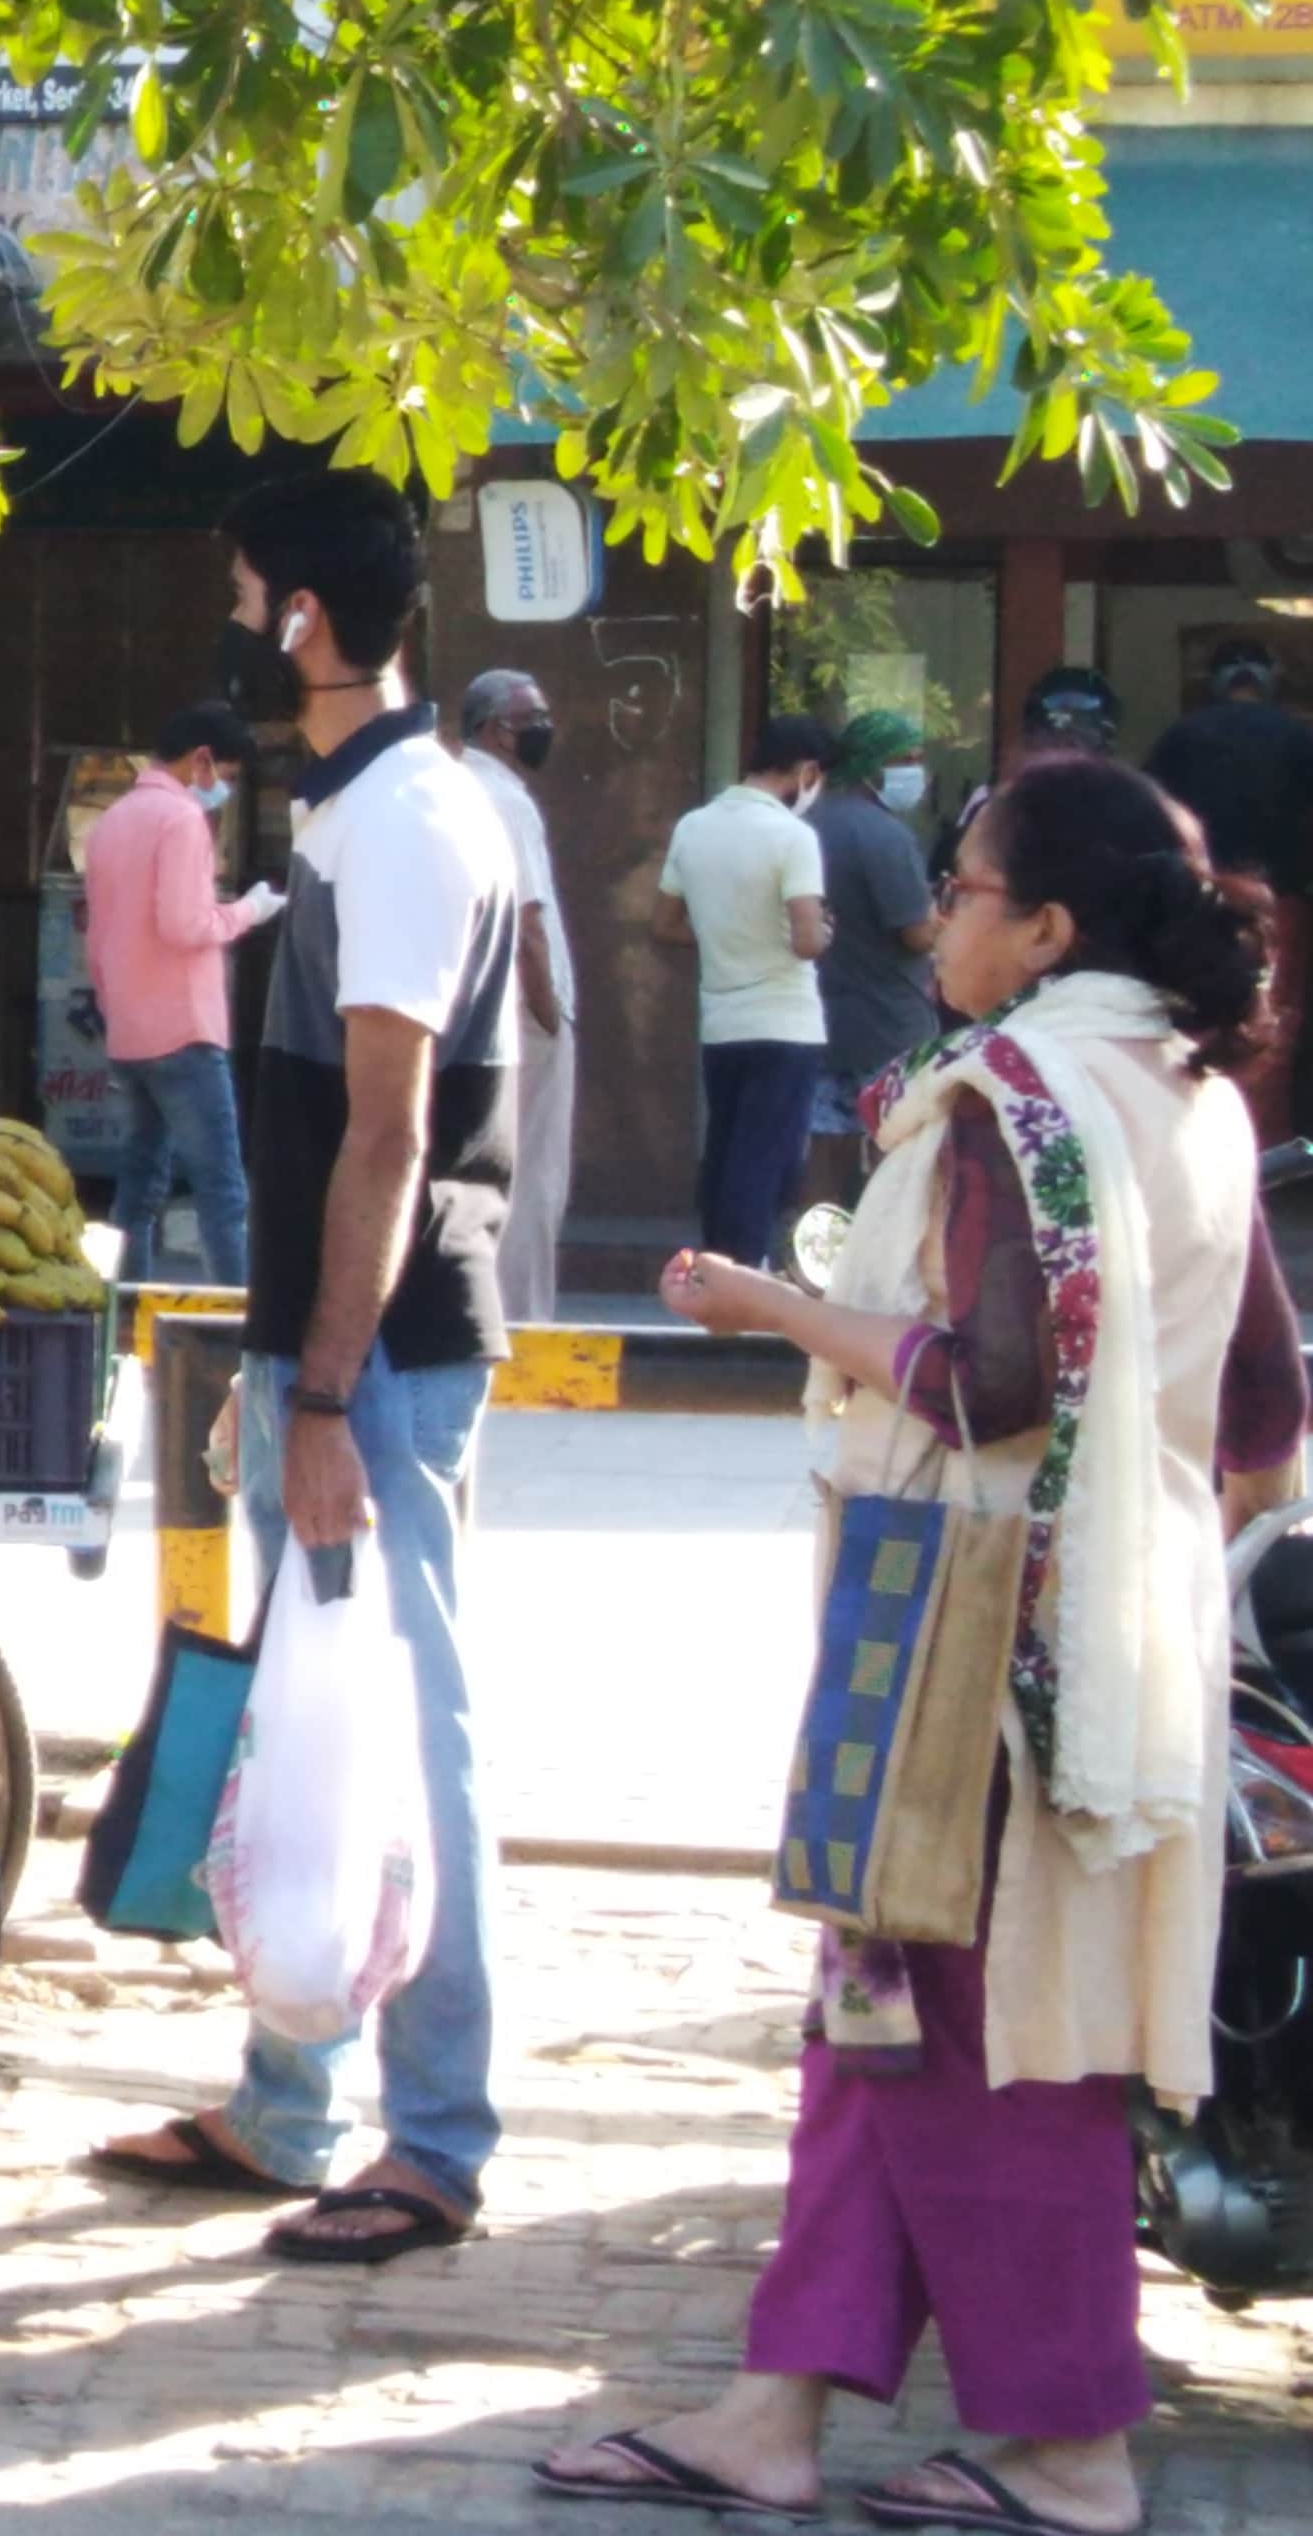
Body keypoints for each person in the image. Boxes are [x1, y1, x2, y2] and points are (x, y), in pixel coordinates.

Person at [541, 757, 1304, 2536]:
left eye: (965, 888)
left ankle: (1069, 2448)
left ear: (1045, 928)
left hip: (976, 1638)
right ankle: (772, 2410)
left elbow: (988, 1381)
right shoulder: (1191, 1096)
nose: (938, 914)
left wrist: (777, 1306)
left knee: (974, 2036)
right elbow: (1263, 1409)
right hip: (1115, 1627)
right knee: (872, 2015)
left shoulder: (1012, 1101)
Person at [94, 467, 518, 2272]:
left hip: (388, 1360)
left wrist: (330, 1388)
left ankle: (432, 2138)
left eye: (252, 588)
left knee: (408, 1738)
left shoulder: (412, 820)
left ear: (306, 623)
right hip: (335, 1352)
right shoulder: (360, 813)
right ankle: (291, 2104)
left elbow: (390, 1135)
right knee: (316, 1732)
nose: (244, 621)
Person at [81, 701, 281, 1285]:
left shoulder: (112, 821)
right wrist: (250, 910)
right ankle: (235, 1332)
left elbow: (98, 941)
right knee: (223, 1191)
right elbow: (186, 924)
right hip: (186, 1032)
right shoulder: (182, 819)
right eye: (229, 776)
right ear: (201, 760)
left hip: (130, 1032)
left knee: (138, 1189)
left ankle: (125, 1312)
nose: (226, 790)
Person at [656, 716, 838, 1269]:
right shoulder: (793, 837)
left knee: (727, 1151)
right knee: (769, 1157)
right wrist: (827, 931)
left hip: (722, 1023)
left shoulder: (693, 826)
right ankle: (745, 1271)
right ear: (805, 772)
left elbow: (663, 923)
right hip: (785, 1022)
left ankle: (712, 1268)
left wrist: (718, 935)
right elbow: (807, 939)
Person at [1146, 637, 1313, 1144]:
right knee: (1274, 1026)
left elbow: (1153, 818)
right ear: (1269, 679)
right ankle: (1267, 1152)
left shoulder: (1181, 737)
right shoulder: (1297, 737)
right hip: (1279, 902)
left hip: (1198, 899)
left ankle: (1198, 1143)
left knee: (1192, 1022)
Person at [455, 668, 578, 1320]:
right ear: (495, 729)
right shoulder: (505, 799)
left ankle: (480, 1313)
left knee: (483, 1173)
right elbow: (529, 923)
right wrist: (549, 1013)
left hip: (473, 1009)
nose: (543, 731)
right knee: (533, 1179)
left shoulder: (452, 788)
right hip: (523, 1012)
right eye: (532, 719)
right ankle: (525, 1322)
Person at [802, 711, 945, 1207]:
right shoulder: (885, 837)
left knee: (823, 1150)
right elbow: (915, 933)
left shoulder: (809, 823)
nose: (915, 773)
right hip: (890, 1024)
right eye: (903, 760)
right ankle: (886, 1262)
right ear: (869, 764)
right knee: (898, 1148)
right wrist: (944, 913)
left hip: (821, 1018)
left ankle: (810, 1262)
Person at [938, 666, 1122, 886]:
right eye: (1053, 746)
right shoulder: (992, 804)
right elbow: (948, 871)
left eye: (1076, 746)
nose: (1064, 762)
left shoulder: (1128, 810)